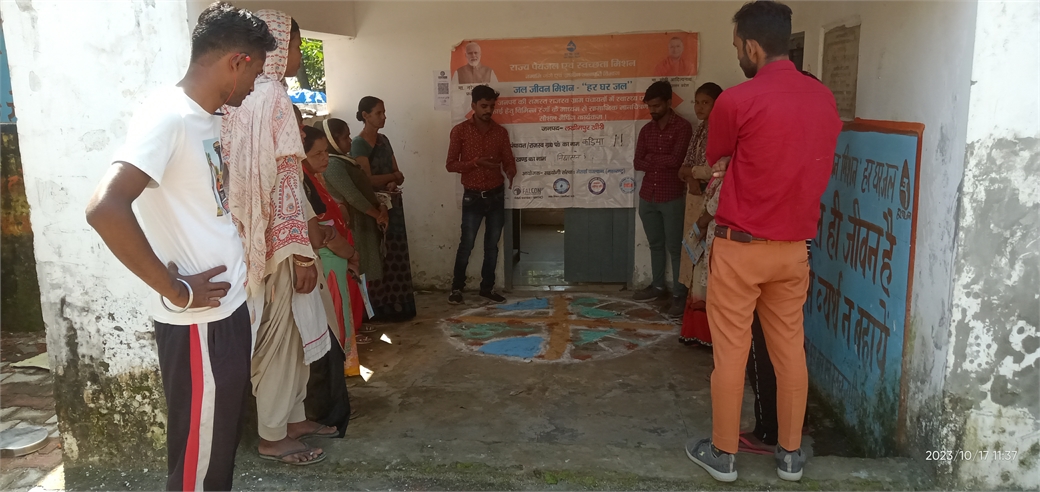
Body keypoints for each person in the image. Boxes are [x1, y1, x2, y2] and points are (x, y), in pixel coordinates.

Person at [85, 4, 274, 489]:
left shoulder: (204, 119)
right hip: (199, 325)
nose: (255, 86)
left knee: (215, 451)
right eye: (256, 71)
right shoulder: (168, 117)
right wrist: (176, 289)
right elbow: (105, 208)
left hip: (224, 314)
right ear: (236, 61)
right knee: (198, 463)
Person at [684, 1, 842, 483]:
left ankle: (723, 454)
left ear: (752, 46)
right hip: (793, 249)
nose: (737, 55)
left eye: (737, 47)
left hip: (740, 247)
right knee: (789, 351)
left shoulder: (737, 100)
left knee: (731, 353)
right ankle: (790, 455)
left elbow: (717, 157)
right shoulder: (824, 99)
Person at [221, 10, 335, 466]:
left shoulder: (236, 96)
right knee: (280, 337)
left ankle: (292, 418)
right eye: (294, 45)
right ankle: (273, 435)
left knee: (287, 332)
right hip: (279, 245)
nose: (297, 56)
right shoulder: (272, 96)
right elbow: (286, 180)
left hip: (247, 237)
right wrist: (301, 253)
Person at [298, 126, 356, 436]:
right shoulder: (300, 181)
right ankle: (325, 413)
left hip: (331, 263)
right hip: (323, 266)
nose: (325, 158)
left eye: (325, 152)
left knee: (336, 331)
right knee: (328, 336)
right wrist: (346, 249)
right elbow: (318, 234)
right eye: (317, 153)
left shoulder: (312, 180)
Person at [317, 118, 391, 344]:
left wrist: (379, 207)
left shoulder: (343, 160)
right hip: (353, 225)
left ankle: (357, 321)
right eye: (345, 137)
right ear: (333, 140)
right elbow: (352, 196)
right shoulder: (333, 165)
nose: (350, 141)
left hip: (362, 222)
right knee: (352, 276)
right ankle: (352, 328)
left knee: (360, 275)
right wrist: (377, 214)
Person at [445, 85, 517, 305]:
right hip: (473, 197)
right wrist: (476, 163)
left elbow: (508, 159)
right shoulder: (460, 131)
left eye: (491, 106)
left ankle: (487, 288)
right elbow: (450, 165)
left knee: (492, 246)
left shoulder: (500, 132)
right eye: (484, 106)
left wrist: (511, 170)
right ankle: (457, 288)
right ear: (473, 105)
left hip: (496, 195)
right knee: (466, 244)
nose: (488, 110)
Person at [351, 97, 418, 321]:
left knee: (396, 254)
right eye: (378, 113)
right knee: (378, 255)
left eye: (384, 112)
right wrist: (392, 177)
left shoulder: (384, 140)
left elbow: (398, 174)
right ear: (365, 115)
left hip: (393, 204)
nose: (384, 117)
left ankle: (398, 305)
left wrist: (392, 180)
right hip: (374, 208)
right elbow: (367, 180)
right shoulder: (358, 144)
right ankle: (378, 308)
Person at [632, 80, 693, 318]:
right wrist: (660, 159)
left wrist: (652, 158)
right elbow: (638, 162)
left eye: (657, 105)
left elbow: (677, 160)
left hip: (671, 196)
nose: (653, 110)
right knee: (655, 244)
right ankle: (658, 287)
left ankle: (679, 294)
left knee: (675, 247)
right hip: (648, 195)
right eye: (650, 106)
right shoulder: (647, 130)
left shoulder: (683, 128)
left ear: (669, 102)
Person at [677, 82, 723, 346]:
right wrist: (690, 174)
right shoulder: (700, 129)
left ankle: (707, 333)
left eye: (706, 102)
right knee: (694, 259)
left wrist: (691, 173)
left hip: (711, 204)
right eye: (696, 102)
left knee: (707, 266)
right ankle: (693, 330)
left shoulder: (722, 131)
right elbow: (684, 166)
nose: (699, 107)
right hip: (695, 200)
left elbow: (715, 168)